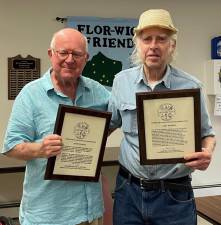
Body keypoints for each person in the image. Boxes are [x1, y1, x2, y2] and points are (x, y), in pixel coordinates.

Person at [108, 9, 216, 225]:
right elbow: (108, 124)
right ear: (138, 44)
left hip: (174, 195)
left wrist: (206, 152)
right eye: (147, 38)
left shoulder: (191, 86)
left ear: (172, 45)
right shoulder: (121, 82)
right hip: (128, 191)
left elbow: (207, 134)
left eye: (161, 39)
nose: (154, 45)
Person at [2, 28, 110, 225]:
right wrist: (39, 149)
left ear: (86, 58)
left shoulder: (98, 92)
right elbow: (11, 146)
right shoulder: (31, 94)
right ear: (51, 54)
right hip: (48, 215)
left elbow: (120, 118)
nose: (70, 59)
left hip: (91, 213)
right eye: (63, 52)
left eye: (77, 54)